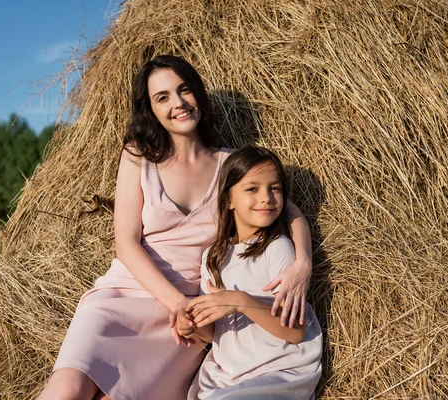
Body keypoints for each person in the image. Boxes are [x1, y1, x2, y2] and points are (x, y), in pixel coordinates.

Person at [36, 55, 314, 400]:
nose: (178, 103)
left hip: (185, 323)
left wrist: (303, 263)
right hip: (126, 296)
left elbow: (289, 209)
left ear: (197, 94)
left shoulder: (230, 164)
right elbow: (126, 243)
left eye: (184, 91)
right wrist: (176, 302)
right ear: (150, 110)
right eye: (162, 97)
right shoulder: (138, 156)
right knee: (68, 389)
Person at [178, 145, 322, 400]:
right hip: (228, 374)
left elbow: (294, 331)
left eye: (274, 188)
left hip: (275, 371)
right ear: (229, 200)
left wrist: (242, 302)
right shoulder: (212, 256)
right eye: (252, 189)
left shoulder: (278, 248)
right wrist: (192, 324)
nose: (266, 197)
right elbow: (212, 333)